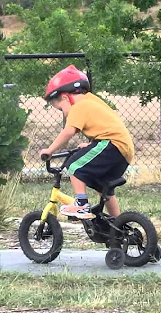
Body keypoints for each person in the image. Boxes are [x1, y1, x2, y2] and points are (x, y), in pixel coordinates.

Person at [39, 65, 135, 220]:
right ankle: (118, 225)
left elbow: (68, 132)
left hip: (112, 143)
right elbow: (102, 124)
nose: (63, 113)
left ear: (65, 97)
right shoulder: (92, 101)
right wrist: (92, 144)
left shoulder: (79, 106)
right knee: (104, 188)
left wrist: (49, 150)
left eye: (60, 109)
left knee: (74, 165)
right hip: (123, 150)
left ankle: (81, 205)